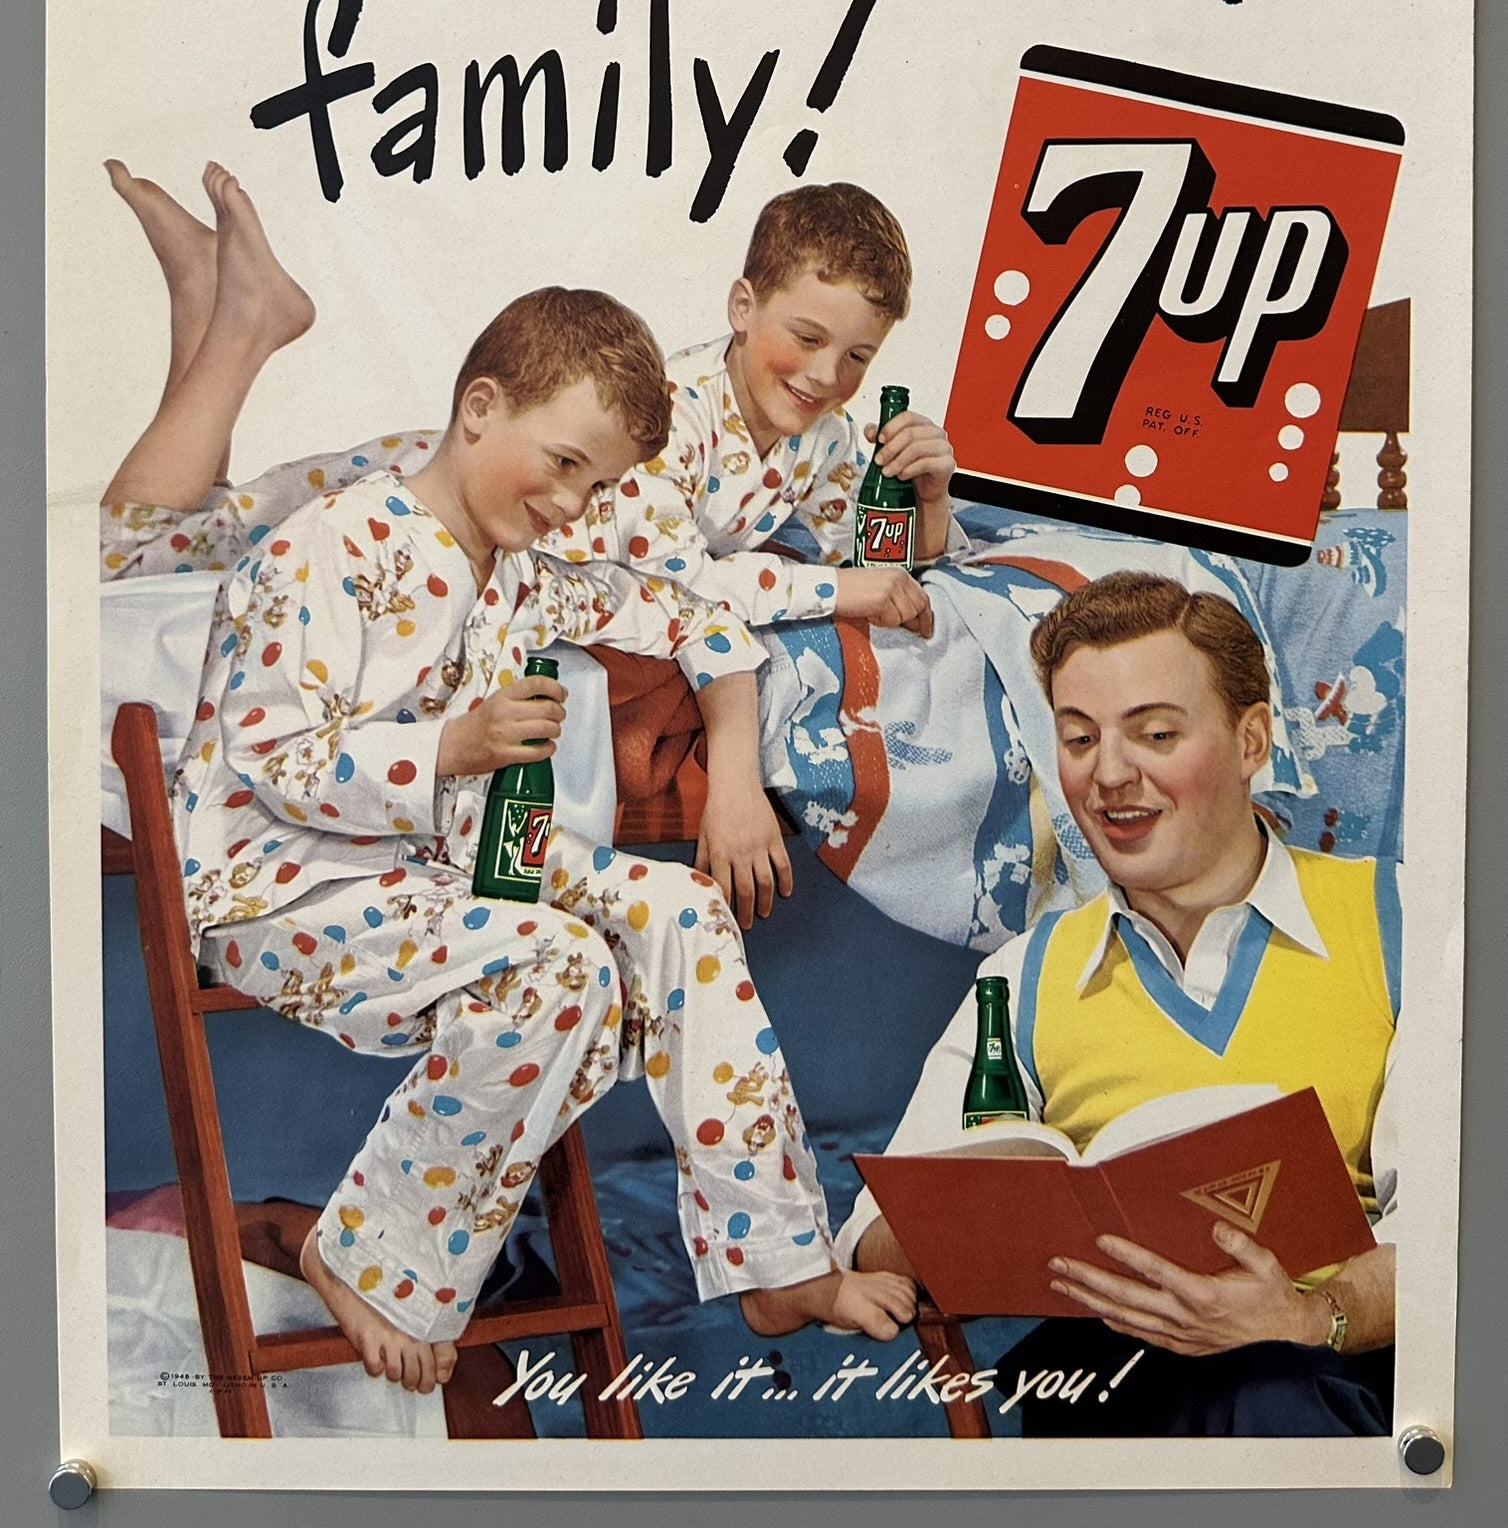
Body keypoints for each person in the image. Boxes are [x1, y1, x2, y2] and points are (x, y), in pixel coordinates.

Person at [138, 272, 919, 1394]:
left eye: (595, 483)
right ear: (478, 409)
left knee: (678, 907)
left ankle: (775, 1254)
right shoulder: (323, 548)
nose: (570, 502)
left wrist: (738, 756)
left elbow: (696, 614)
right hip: (284, 887)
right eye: (561, 465)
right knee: (563, 968)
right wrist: (448, 749)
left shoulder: (526, 575)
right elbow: (272, 763)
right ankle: (369, 1248)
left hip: (438, 871)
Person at [101, 168, 960, 928]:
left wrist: (928, 498)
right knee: (136, 553)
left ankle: (207, 301)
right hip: (448, 496)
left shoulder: (826, 435)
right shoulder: (665, 419)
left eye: (857, 356)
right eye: (806, 339)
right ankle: (243, 320)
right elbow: (691, 584)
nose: (824, 375)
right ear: (743, 309)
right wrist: (835, 594)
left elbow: (880, 559)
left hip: (529, 521)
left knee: (182, 535)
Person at [837, 572, 1399, 1437]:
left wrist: (1302, 1316)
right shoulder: (1025, 976)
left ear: (1252, 742)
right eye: (1078, 738)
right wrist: (989, 1210)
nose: (1109, 775)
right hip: (1118, 1389)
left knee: (1264, 1392)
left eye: (1157, 733)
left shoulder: (1400, 924)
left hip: (1350, 1379)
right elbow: (879, 1240)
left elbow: (1460, 1235)